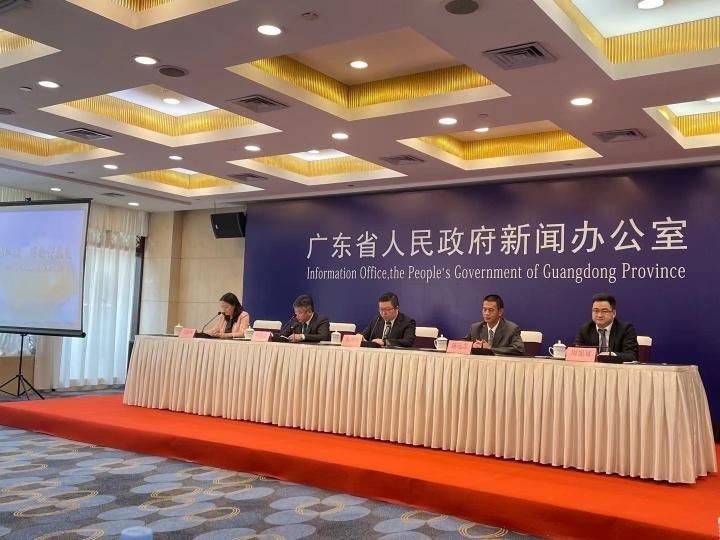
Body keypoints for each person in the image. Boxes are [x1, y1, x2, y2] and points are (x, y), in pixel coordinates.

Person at [574, 293, 638, 363]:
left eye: (604, 311)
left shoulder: (625, 329)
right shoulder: (585, 330)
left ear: (614, 313)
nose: (599, 315)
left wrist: (611, 356)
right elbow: (575, 351)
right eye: (596, 311)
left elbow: (632, 355)